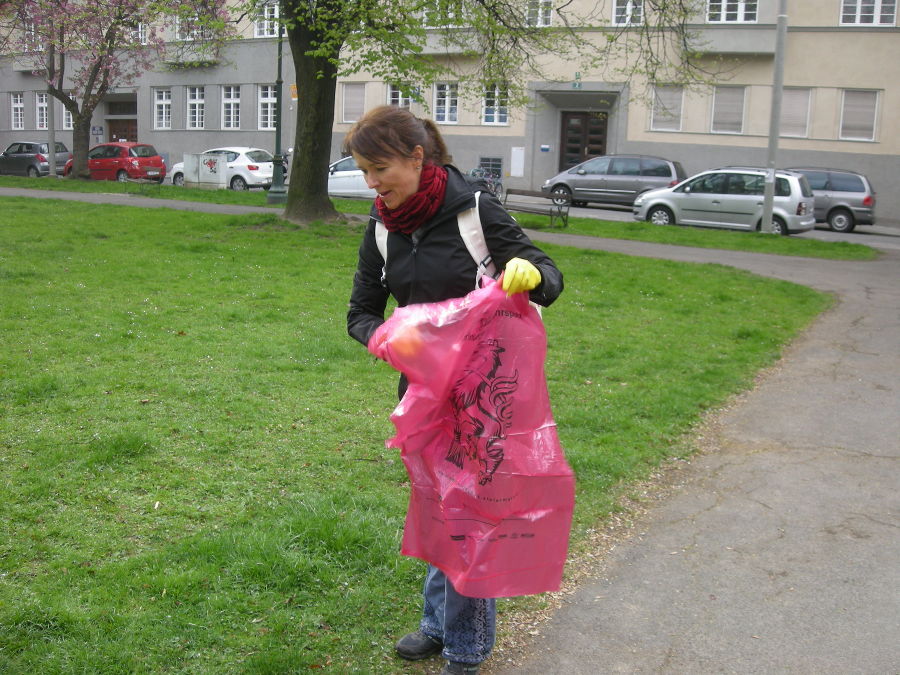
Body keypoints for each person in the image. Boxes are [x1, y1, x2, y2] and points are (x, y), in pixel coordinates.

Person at [344, 105, 564, 675]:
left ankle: (466, 650)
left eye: (379, 168)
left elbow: (547, 270)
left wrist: (532, 275)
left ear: (417, 158)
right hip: (423, 397)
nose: (372, 183)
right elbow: (361, 313)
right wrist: (390, 338)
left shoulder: (474, 212)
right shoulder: (381, 227)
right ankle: (437, 625)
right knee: (439, 506)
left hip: (488, 395)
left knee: (470, 515)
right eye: (363, 171)